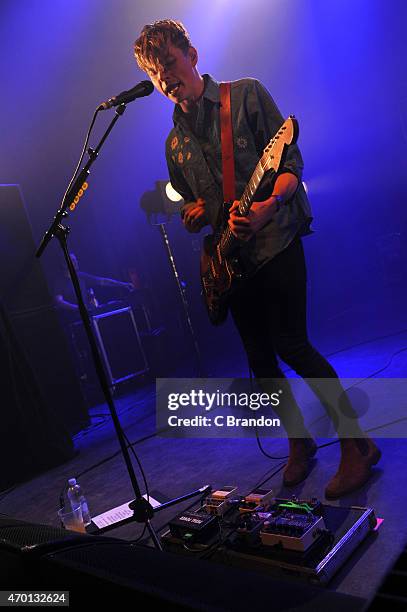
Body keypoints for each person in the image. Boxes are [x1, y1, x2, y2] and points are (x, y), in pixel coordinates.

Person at [134, 19, 381, 498]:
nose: (164, 77)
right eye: (154, 72)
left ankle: (357, 444)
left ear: (193, 54)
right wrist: (192, 213)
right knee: (260, 361)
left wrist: (268, 207)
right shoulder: (174, 144)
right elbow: (189, 200)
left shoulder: (245, 96)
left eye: (168, 62)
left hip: (276, 241)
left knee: (293, 344)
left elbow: (290, 165)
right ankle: (299, 443)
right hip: (231, 262)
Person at [54, 252, 134, 317]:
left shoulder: (81, 276)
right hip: (73, 320)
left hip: (88, 316)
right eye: (72, 260)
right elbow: (59, 301)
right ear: (64, 264)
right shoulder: (59, 282)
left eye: (76, 260)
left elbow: (103, 281)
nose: (76, 262)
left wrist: (123, 284)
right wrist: (77, 308)